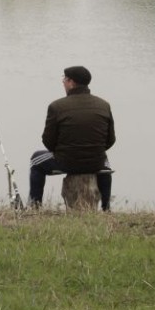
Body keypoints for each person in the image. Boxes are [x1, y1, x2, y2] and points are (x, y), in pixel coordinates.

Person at [29, 66, 116, 210]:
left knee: (35, 160)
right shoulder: (104, 105)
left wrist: (63, 152)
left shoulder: (56, 106)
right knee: (105, 163)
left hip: (66, 162)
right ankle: (106, 208)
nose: (63, 82)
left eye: (64, 79)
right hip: (95, 162)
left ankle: (35, 205)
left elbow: (48, 141)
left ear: (71, 82)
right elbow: (110, 140)